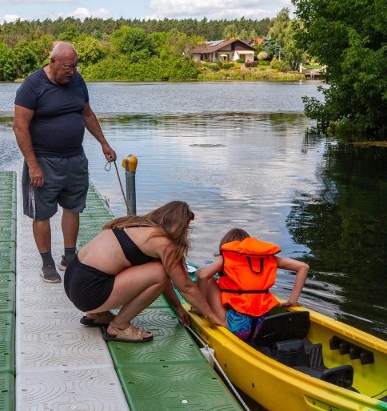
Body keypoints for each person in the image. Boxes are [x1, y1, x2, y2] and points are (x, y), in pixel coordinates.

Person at [13, 41, 116, 283]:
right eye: (68, 67)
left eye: (75, 67)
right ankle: (47, 263)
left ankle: (69, 257)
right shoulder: (31, 86)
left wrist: (104, 143)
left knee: (73, 206)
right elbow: (20, 127)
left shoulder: (77, 82)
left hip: (75, 158)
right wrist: (33, 164)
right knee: (42, 212)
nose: (72, 71)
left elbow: (87, 114)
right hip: (44, 160)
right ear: (53, 62)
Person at [64, 201, 227, 343]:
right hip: (88, 291)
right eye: (187, 227)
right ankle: (119, 326)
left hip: (73, 281)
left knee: (156, 271)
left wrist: (177, 306)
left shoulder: (135, 225)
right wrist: (212, 316)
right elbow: (185, 287)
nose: (187, 231)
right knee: (158, 274)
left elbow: (164, 274)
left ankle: (96, 314)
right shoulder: (164, 243)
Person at [195, 228, 309, 341]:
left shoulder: (226, 257)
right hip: (263, 328)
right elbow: (303, 267)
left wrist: (202, 307)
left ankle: (199, 308)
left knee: (205, 275)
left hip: (236, 328)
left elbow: (203, 276)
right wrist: (292, 301)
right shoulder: (267, 258)